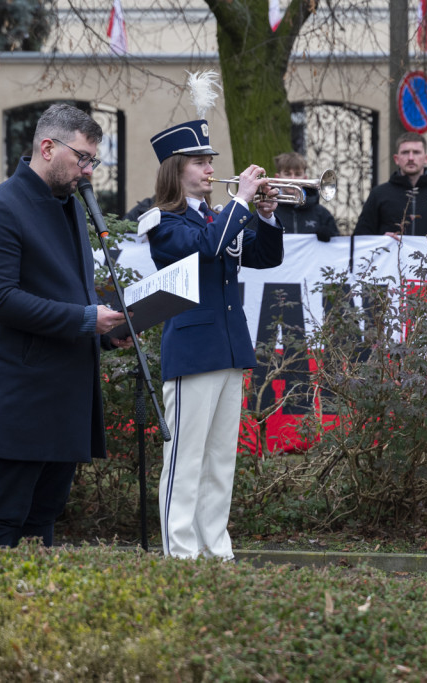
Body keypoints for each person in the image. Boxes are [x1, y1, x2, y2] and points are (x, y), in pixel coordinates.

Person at [0, 103, 132, 549]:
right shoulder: (0, 207)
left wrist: (109, 328)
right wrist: (84, 318)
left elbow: (68, 292)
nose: (89, 171)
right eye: (83, 158)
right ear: (46, 147)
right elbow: (0, 299)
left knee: (41, 535)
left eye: (92, 160)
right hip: (18, 400)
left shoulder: (71, 209)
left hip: (65, 400)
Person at [142, 118, 283, 560]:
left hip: (228, 347)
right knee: (185, 460)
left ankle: (215, 549)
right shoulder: (162, 221)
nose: (209, 169)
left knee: (221, 462)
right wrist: (241, 201)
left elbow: (265, 258)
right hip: (191, 350)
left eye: (209, 161)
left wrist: (265, 215)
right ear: (175, 168)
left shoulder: (219, 217)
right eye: (200, 162)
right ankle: (180, 553)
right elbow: (207, 246)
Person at [353, 132, 427, 238]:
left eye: (416, 152)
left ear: (426, 158)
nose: (411, 158)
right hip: (392, 255)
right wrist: (381, 240)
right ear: (396, 159)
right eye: (405, 152)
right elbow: (360, 239)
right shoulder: (379, 194)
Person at [271, 151, 338, 242]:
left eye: (298, 174)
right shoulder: (266, 211)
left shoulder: (322, 214)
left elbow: (337, 245)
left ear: (305, 178)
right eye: (287, 174)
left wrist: (331, 235)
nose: (292, 179)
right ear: (277, 177)